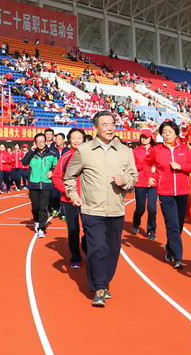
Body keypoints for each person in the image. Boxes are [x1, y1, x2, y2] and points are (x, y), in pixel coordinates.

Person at [64, 111, 137, 307]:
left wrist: (125, 181)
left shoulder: (125, 151)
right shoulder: (84, 150)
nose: (110, 128)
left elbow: (133, 177)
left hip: (116, 209)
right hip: (91, 210)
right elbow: (69, 176)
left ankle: (102, 281)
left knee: (113, 249)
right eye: (105, 125)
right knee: (97, 248)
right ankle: (100, 287)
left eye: (112, 124)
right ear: (95, 128)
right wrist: (74, 196)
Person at [146, 120, 191, 269]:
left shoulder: (184, 149)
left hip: (182, 192)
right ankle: (178, 257)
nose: (166, 135)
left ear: (176, 133)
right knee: (172, 224)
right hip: (165, 192)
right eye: (164, 132)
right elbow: (146, 164)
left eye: (169, 132)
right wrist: (150, 176)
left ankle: (170, 247)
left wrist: (180, 167)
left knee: (179, 223)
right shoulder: (157, 150)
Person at [52, 128, 87, 268]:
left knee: (90, 229)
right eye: (74, 138)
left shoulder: (90, 156)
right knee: (73, 230)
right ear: (69, 141)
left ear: (84, 139)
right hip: (69, 200)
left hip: (88, 200)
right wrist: (66, 191)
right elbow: (56, 177)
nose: (77, 140)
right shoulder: (65, 157)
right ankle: (75, 257)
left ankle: (87, 248)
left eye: (79, 138)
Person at [21, 133, 58, 238]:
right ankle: (36, 220)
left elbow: (56, 167)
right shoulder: (32, 154)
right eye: (38, 142)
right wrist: (31, 151)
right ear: (35, 143)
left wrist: (52, 171)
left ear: (46, 142)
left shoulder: (52, 154)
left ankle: (42, 228)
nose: (40, 143)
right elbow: (24, 162)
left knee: (43, 206)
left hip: (47, 184)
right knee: (35, 207)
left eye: (42, 141)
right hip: (34, 184)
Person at [131, 128, 157, 240]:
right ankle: (136, 222)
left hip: (153, 182)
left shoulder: (156, 150)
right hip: (140, 182)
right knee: (140, 208)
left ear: (151, 138)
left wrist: (155, 167)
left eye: (146, 137)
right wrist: (144, 166)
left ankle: (151, 230)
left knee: (152, 208)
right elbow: (133, 166)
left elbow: (159, 164)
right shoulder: (135, 151)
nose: (144, 139)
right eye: (143, 137)